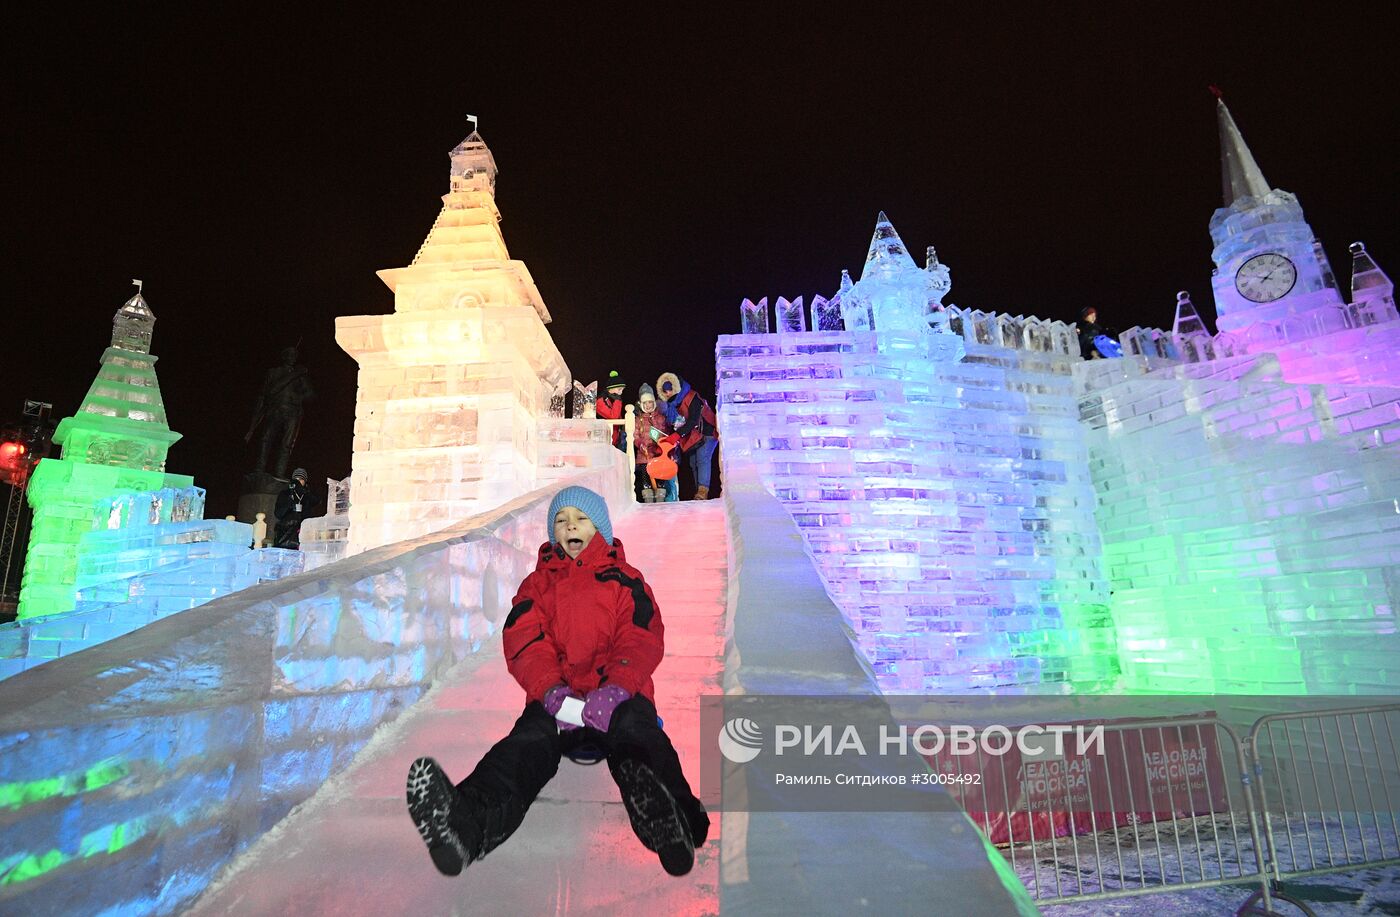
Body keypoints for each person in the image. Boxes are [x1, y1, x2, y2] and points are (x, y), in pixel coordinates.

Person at [405, 486, 709, 878]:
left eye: (580, 519)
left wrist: (616, 688)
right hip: (558, 702)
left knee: (638, 735)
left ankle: (673, 820)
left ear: (599, 528)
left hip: (616, 699)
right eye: (561, 521)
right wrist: (550, 692)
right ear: (553, 533)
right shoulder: (538, 585)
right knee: (526, 745)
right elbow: (525, 640)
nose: (571, 527)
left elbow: (641, 633)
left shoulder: (625, 579)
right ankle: (467, 825)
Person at [246, 346, 316, 480]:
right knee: (266, 439)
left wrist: (298, 397)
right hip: (275, 410)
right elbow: (266, 393)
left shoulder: (300, 376)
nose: (292, 357)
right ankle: (259, 469)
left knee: (286, 444)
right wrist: (254, 422)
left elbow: (311, 394)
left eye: (295, 355)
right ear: (284, 356)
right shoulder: (274, 372)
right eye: (289, 354)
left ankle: (279, 473)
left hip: (292, 412)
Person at [656, 373, 719, 500]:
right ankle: (699, 492)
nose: (667, 392)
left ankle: (702, 491)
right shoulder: (672, 405)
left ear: (675, 386)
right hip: (692, 437)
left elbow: (693, 421)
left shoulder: (691, 397)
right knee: (693, 462)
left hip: (706, 432)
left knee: (702, 459)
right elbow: (676, 423)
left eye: (669, 388)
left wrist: (676, 435)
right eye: (664, 390)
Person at [634, 384, 677, 503]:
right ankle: (648, 502)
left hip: (659, 456)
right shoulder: (639, 420)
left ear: (654, 403)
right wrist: (640, 444)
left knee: (660, 480)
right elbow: (635, 435)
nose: (648, 406)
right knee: (646, 480)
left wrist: (668, 449)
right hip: (644, 456)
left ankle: (660, 501)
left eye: (650, 403)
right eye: (645, 403)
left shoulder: (661, 418)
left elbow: (666, 435)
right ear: (642, 404)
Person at [273, 468, 312, 549]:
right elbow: (278, 514)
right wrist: (290, 501)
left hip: (300, 535)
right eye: (296, 479)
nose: (298, 482)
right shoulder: (284, 494)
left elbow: (308, 516)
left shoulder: (306, 496)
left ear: (305, 481)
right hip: (284, 535)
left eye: (300, 479)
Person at [594, 370, 628, 454]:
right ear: (610, 388)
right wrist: (618, 401)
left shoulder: (612, 400)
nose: (621, 392)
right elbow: (614, 417)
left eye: (622, 390)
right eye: (619, 389)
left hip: (614, 441)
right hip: (603, 441)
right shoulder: (600, 401)